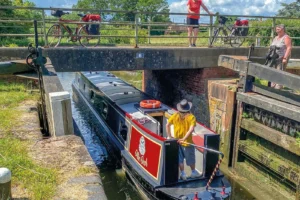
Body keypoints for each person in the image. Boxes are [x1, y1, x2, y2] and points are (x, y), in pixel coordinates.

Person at [166, 99, 200, 180]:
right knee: (191, 158)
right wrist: (184, 139)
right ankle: (193, 172)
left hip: (177, 142)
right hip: (187, 142)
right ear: (188, 109)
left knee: (180, 159)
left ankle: (183, 174)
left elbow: (167, 125)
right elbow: (191, 129)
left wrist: (170, 137)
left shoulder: (175, 115)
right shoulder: (191, 117)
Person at [269, 24, 292, 89]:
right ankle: (272, 88)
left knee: (280, 73)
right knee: (273, 73)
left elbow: (289, 48)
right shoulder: (276, 38)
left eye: (278, 29)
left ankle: (278, 89)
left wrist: (285, 58)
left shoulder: (286, 37)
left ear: (283, 29)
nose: (277, 31)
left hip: (281, 58)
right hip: (273, 58)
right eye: (276, 29)